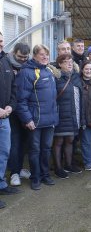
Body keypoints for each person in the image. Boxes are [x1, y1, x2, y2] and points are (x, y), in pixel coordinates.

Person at [16, 44, 59, 190]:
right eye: (42, 54)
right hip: (35, 121)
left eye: (47, 55)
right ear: (34, 56)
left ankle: (45, 175)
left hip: (49, 121)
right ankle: (36, 177)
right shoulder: (27, 72)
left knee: (46, 149)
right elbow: (20, 100)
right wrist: (27, 119)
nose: (45, 57)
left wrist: (55, 117)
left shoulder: (48, 70)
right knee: (35, 151)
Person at [52, 54, 83, 179]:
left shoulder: (76, 77)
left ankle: (69, 165)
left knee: (70, 140)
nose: (69, 64)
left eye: (70, 61)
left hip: (74, 114)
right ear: (59, 64)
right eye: (65, 62)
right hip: (60, 115)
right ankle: (58, 168)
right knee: (59, 141)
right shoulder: (56, 77)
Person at [6, 43, 31, 187]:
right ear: (14, 53)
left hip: (26, 110)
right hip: (12, 111)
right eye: (20, 57)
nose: (22, 59)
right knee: (14, 143)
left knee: (23, 143)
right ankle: (14, 172)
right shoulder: (7, 64)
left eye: (25, 57)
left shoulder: (27, 66)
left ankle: (20, 168)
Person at [0, 32, 19, 209]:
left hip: (5, 116)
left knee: (4, 152)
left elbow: (13, 87)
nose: (0, 43)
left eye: (1, 40)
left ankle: (1, 184)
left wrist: (11, 106)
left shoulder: (5, 61)